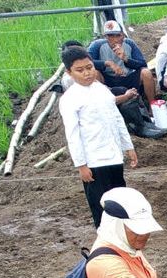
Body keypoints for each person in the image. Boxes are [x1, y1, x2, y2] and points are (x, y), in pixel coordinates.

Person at [59, 46, 137, 228]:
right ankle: (105, 239)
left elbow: (117, 119)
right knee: (101, 206)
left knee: (119, 200)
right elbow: (73, 134)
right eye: (80, 70)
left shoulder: (102, 90)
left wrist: (128, 146)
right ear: (69, 72)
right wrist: (81, 165)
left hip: (114, 156)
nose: (87, 73)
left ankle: (122, 236)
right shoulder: (70, 99)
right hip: (94, 162)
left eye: (89, 67)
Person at [88, 20, 155, 104]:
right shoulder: (97, 45)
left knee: (146, 72)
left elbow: (142, 64)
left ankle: (152, 106)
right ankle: (100, 105)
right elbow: (87, 62)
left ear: (123, 35)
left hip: (128, 77)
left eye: (118, 36)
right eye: (111, 36)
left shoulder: (129, 43)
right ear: (105, 37)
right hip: (108, 78)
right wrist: (108, 63)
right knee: (95, 73)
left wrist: (126, 59)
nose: (115, 40)